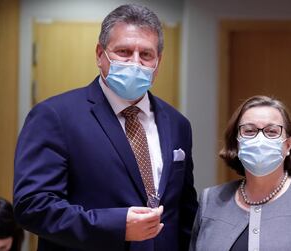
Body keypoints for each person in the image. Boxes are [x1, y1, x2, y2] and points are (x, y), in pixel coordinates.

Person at [13, 4, 197, 251]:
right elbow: (33, 206)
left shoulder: (177, 124)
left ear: (158, 61)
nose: (135, 63)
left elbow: (183, 210)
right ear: (100, 54)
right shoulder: (55, 116)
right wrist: (117, 225)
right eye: (123, 51)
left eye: (146, 54)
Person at [189, 96, 291, 251]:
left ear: (288, 145)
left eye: (271, 131)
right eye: (249, 131)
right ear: (236, 143)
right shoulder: (211, 199)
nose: (260, 139)